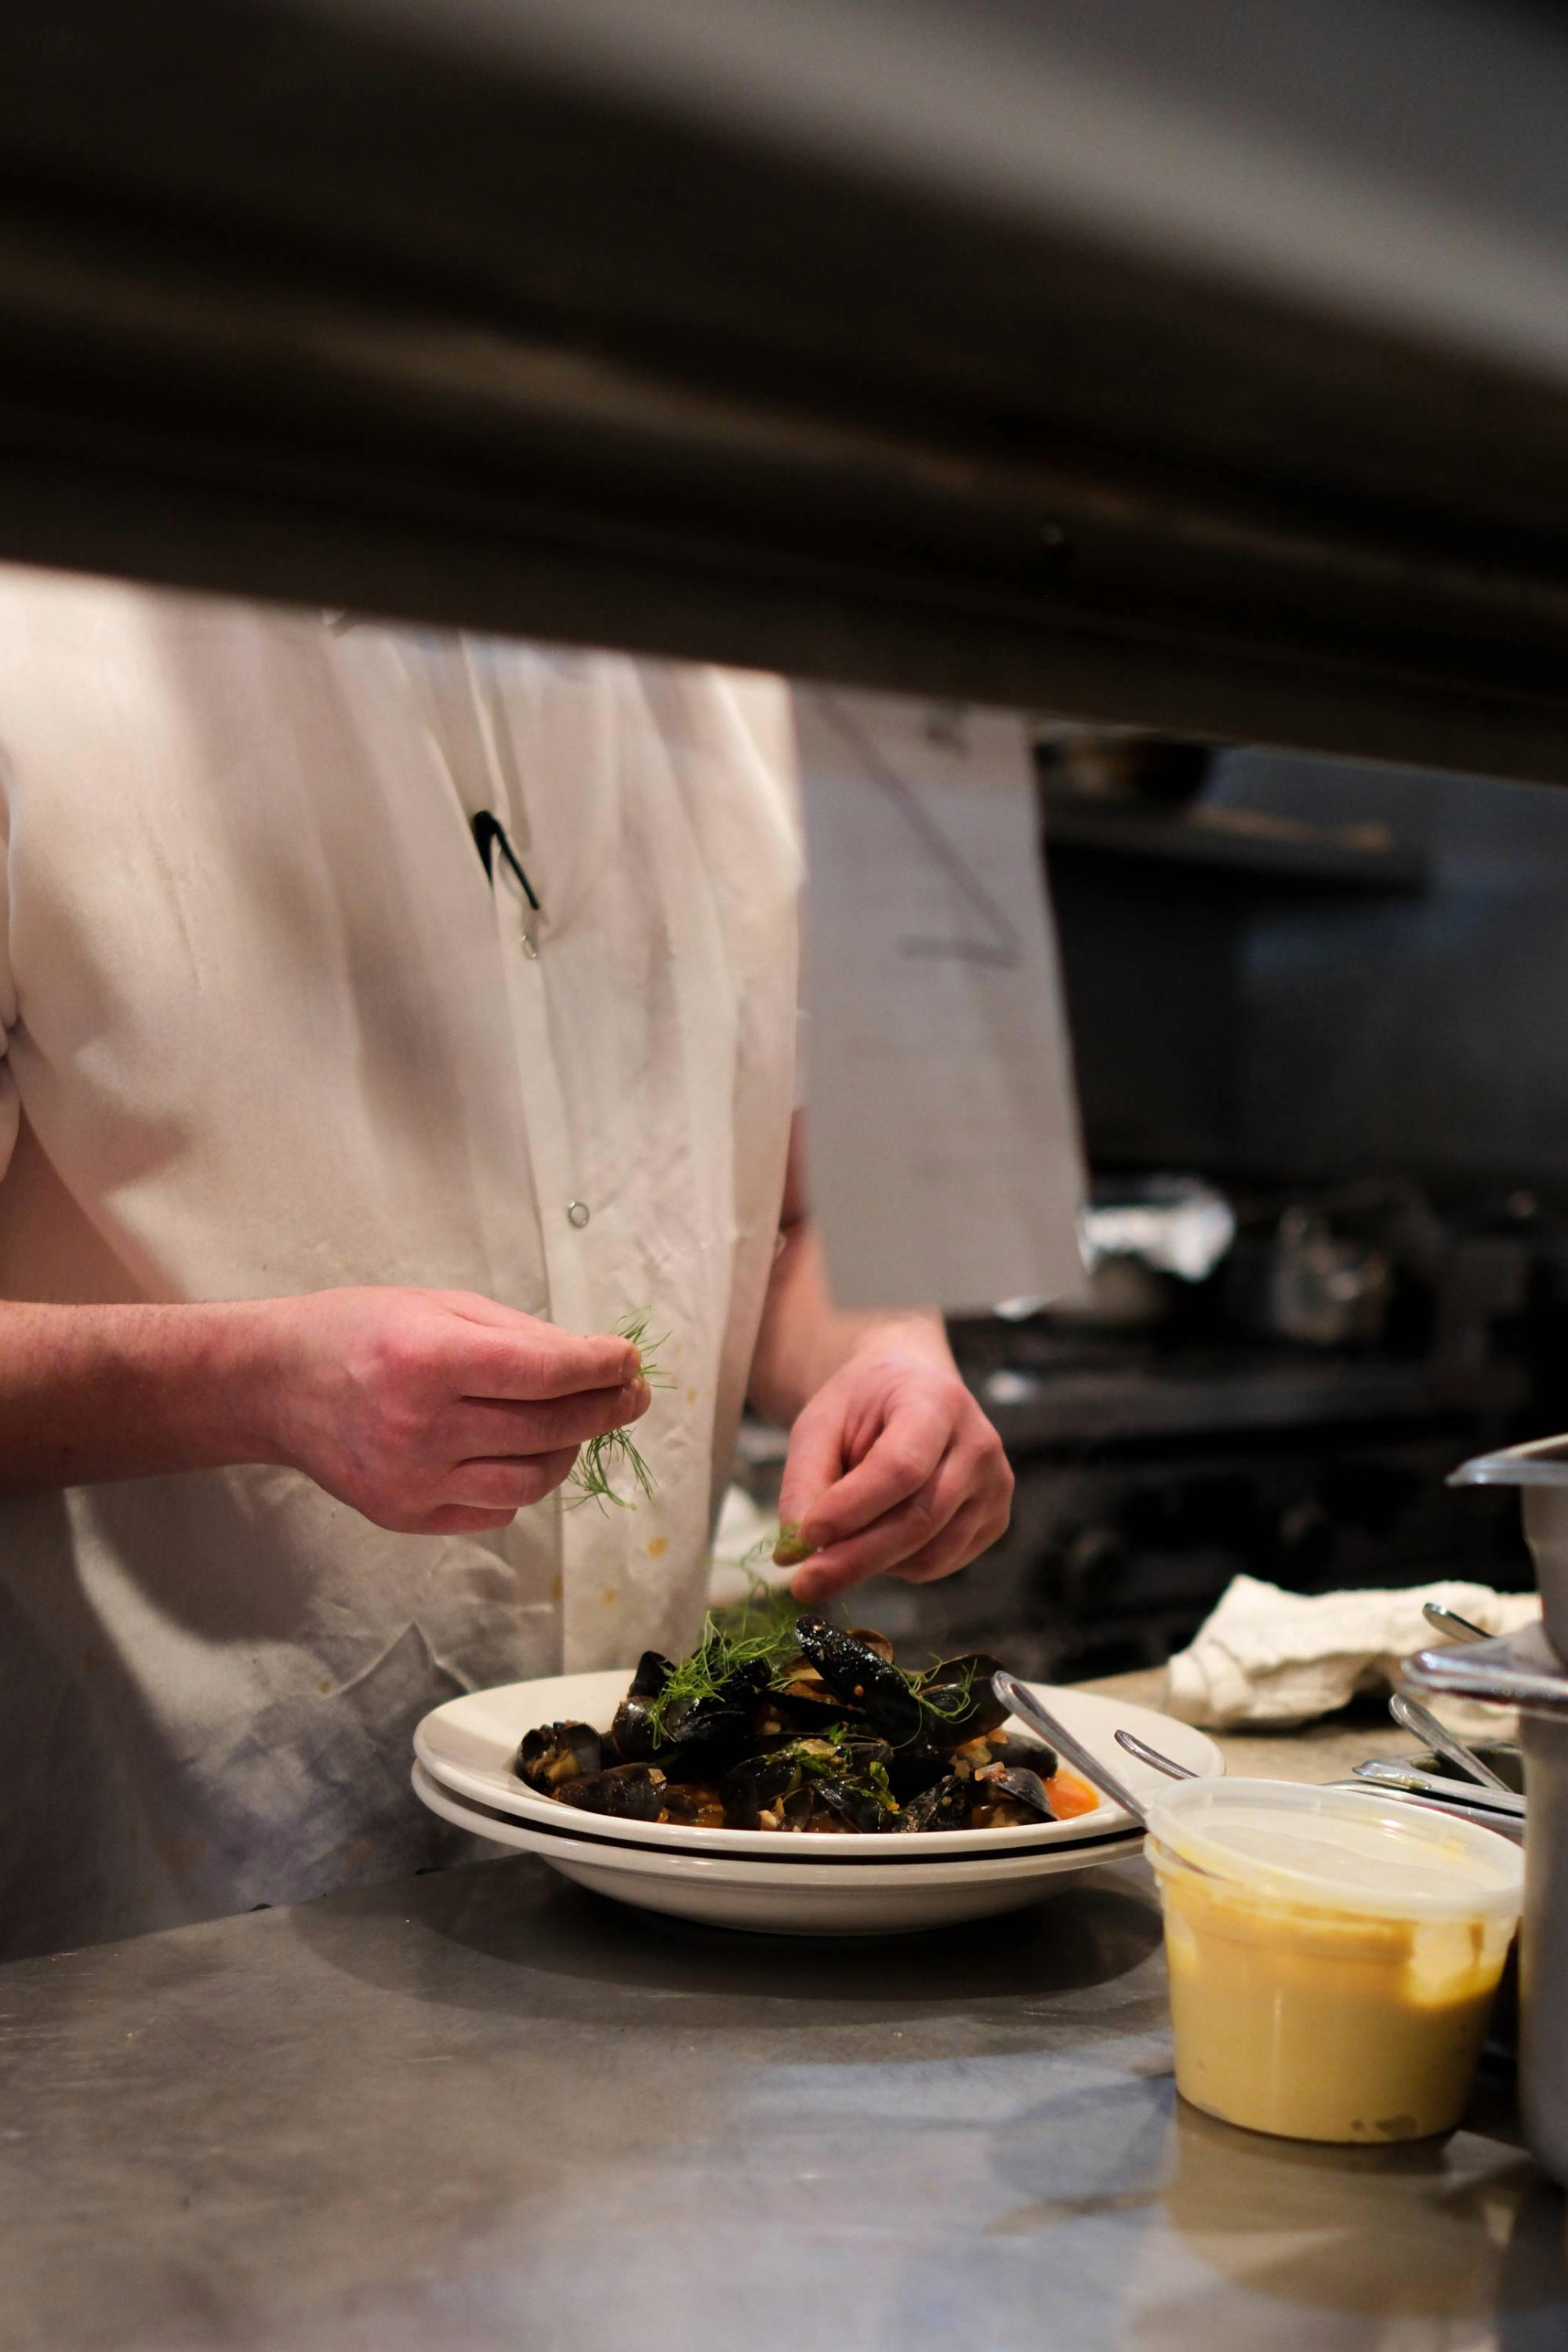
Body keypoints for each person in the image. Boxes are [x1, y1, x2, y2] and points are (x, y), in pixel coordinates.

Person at [0, 564, 1011, 1956]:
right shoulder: (39, 629)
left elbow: (796, 1207)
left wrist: (886, 1351)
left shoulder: (760, 669)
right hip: (164, 1900)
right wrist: (257, 1382)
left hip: (646, 1878)